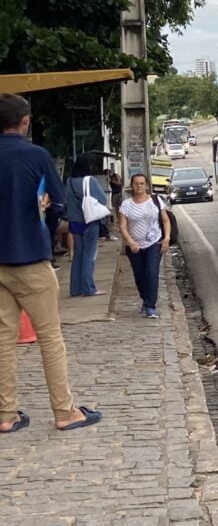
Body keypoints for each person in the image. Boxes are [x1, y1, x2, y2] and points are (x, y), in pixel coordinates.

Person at [0, 93, 102, 433]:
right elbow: (57, 204)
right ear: (25, 121)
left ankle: (6, 414)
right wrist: (43, 222)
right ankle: (64, 410)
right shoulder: (36, 156)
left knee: (2, 339)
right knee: (49, 337)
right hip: (30, 257)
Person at [118, 174, 170, 319]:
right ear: (132, 186)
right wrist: (130, 241)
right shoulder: (126, 204)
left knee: (151, 272)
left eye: (142, 183)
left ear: (146, 185)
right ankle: (145, 298)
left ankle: (150, 306)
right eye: (136, 184)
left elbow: (165, 221)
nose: (139, 186)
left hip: (154, 242)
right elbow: (122, 226)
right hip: (135, 246)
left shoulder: (156, 201)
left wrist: (166, 238)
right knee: (140, 275)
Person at [64, 154, 108, 297]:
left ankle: (75, 289)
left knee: (78, 254)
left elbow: (66, 201)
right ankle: (89, 288)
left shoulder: (69, 181)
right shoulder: (90, 181)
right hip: (89, 221)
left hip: (74, 222)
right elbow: (102, 199)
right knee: (89, 255)